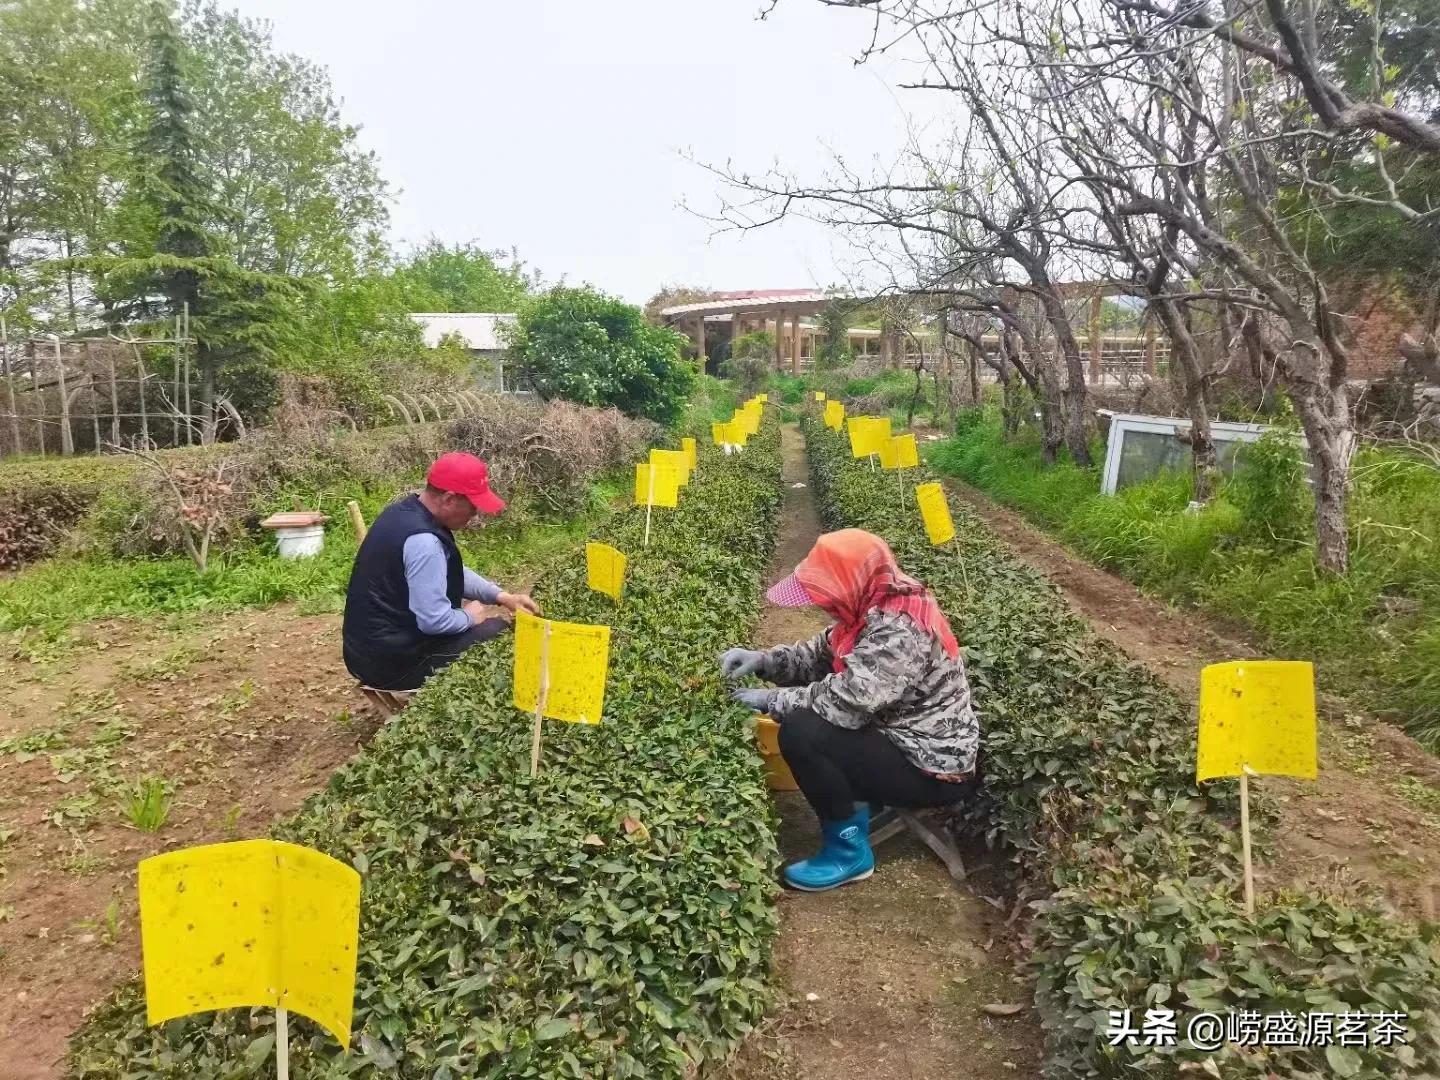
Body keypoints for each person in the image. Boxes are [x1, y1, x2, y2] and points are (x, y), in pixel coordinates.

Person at [719, 529, 979, 892]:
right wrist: (764, 661)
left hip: (930, 769)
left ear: (850, 583)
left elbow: (847, 701)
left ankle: (848, 853)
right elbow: (815, 657)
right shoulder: (866, 611)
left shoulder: (899, 629)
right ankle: (858, 804)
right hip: (897, 738)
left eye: (825, 595)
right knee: (810, 724)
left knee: (801, 732)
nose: (820, 605)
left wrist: (769, 701)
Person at [343, 452, 540, 692]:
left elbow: (447, 570)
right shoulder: (424, 541)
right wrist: (470, 617)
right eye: (473, 507)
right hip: (393, 666)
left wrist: (502, 597)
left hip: (365, 653)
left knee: (478, 624)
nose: (475, 515)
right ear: (449, 499)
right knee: (495, 630)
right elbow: (435, 621)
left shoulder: (403, 513)